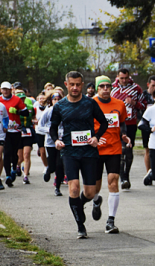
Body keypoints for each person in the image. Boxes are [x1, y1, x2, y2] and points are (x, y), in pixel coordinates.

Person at [49, 71, 109, 239]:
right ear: (66, 84)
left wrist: (97, 138)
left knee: (90, 192)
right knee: (74, 188)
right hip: (69, 151)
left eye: (78, 84)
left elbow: (104, 123)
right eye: (72, 84)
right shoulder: (59, 106)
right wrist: (56, 141)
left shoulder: (90, 103)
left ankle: (78, 205)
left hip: (89, 151)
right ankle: (80, 225)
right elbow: (53, 128)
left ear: (82, 85)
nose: (75, 88)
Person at [92, 75, 131, 234]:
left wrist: (123, 135)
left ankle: (110, 220)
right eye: (102, 86)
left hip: (114, 148)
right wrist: (92, 138)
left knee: (113, 180)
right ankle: (95, 200)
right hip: (96, 148)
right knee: (95, 183)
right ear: (97, 88)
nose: (105, 89)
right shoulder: (90, 104)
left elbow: (122, 122)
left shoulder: (119, 104)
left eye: (108, 86)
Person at [111, 68, 146, 189]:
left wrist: (134, 103)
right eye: (122, 78)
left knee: (129, 149)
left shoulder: (136, 88)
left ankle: (126, 174)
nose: (124, 80)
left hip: (130, 123)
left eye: (126, 78)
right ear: (117, 77)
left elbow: (144, 105)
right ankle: (122, 178)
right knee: (120, 150)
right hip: (116, 124)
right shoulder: (112, 88)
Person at [0, 81, 28, 186]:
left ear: (11, 90)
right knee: (7, 152)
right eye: (3, 89)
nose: (5, 91)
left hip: (15, 129)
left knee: (14, 153)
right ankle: (8, 175)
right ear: (1, 90)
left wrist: (17, 112)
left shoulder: (17, 99)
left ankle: (14, 168)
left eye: (7, 89)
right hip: (4, 131)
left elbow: (26, 112)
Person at [37, 91, 65, 196]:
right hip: (50, 142)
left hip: (62, 142)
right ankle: (49, 170)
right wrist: (49, 130)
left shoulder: (64, 111)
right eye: (55, 99)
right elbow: (39, 127)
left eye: (59, 99)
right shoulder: (48, 111)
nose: (57, 102)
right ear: (51, 101)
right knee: (53, 165)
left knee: (60, 165)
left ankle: (57, 188)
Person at [16, 87, 36, 184]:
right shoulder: (14, 108)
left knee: (26, 154)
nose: (22, 101)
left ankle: (26, 175)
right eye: (20, 99)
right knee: (20, 157)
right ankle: (18, 166)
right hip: (18, 132)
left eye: (23, 98)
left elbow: (33, 117)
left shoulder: (30, 107)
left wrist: (34, 121)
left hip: (27, 132)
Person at [141, 75, 155, 176]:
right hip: (147, 125)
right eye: (153, 85)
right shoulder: (144, 95)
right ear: (148, 85)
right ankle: (149, 172)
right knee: (147, 149)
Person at [34, 92, 49, 172]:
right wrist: (35, 121)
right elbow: (32, 118)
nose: (42, 100)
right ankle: (46, 166)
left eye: (43, 98)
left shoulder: (48, 108)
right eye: (40, 99)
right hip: (39, 132)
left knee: (49, 151)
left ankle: (51, 164)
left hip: (48, 132)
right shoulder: (35, 108)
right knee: (42, 151)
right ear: (37, 100)